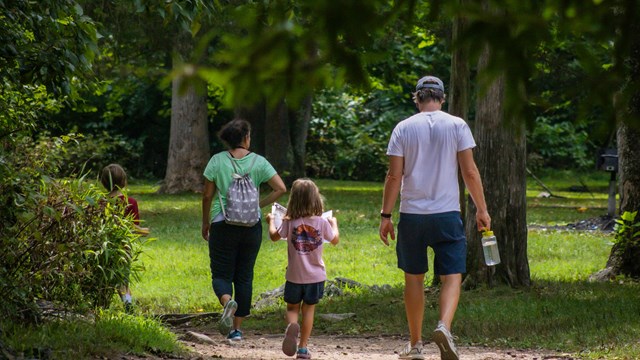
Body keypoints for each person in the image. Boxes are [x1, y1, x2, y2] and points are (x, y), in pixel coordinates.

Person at [379, 76, 491, 360]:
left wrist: (386, 215)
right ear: (443, 98)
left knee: (413, 279)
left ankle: (415, 345)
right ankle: (444, 326)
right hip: (447, 214)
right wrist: (482, 209)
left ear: (417, 98)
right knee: (452, 276)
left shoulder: (403, 128)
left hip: (413, 216)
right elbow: (469, 172)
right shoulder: (457, 125)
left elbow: (394, 176)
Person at [202, 118, 286, 342]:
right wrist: (258, 205)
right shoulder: (259, 162)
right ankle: (236, 330)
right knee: (245, 276)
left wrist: (205, 222)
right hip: (251, 225)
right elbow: (281, 188)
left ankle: (226, 300)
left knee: (221, 273)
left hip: (222, 224)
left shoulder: (216, 161)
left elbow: (207, 195)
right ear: (246, 138)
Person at [266, 178, 339, 360]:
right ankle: (303, 348)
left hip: (294, 276)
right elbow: (335, 239)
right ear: (315, 199)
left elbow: (275, 237)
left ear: (293, 200)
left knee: (292, 308)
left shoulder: (290, 222)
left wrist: (270, 221)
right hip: (315, 277)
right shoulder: (322, 223)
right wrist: (334, 224)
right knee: (309, 310)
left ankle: (292, 326)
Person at [100, 163, 150, 313]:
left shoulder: (101, 202)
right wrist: (144, 231)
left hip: (104, 246)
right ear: (124, 181)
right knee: (123, 280)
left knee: (106, 278)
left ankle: (101, 307)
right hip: (124, 248)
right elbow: (132, 228)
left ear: (103, 183)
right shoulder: (130, 202)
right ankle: (128, 305)